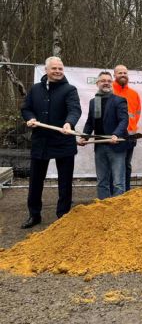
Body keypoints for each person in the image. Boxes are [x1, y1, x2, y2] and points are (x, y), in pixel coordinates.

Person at [20, 56, 82, 228]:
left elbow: (75, 109)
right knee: (35, 181)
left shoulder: (70, 89)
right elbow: (26, 108)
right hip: (41, 141)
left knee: (65, 181)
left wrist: (69, 123)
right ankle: (34, 214)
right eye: (54, 68)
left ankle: (63, 215)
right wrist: (30, 118)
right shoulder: (35, 90)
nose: (57, 71)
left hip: (63, 141)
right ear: (46, 70)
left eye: (60, 69)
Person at [78, 71, 129, 199]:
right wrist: (85, 136)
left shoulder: (119, 100)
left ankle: (118, 209)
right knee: (102, 181)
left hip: (116, 146)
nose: (106, 83)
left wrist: (116, 134)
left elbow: (124, 120)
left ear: (111, 83)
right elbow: (90, 122)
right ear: (97, 83)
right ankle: (103, 207)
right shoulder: (94, 102)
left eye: (108, 81)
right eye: (103, 81)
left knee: (118, 182)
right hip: (99, 146)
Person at [112, 64, 141, 191]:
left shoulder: (134, 94)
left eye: (125, 73)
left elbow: (137, 113)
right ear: (114, 75)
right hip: (113, 136)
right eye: (120, 73)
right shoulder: (109, 91)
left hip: (129, 136)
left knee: (126, 165)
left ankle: (126, 191)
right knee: (113, 165)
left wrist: (131, 127)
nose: (123, 75)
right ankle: (113, 191)